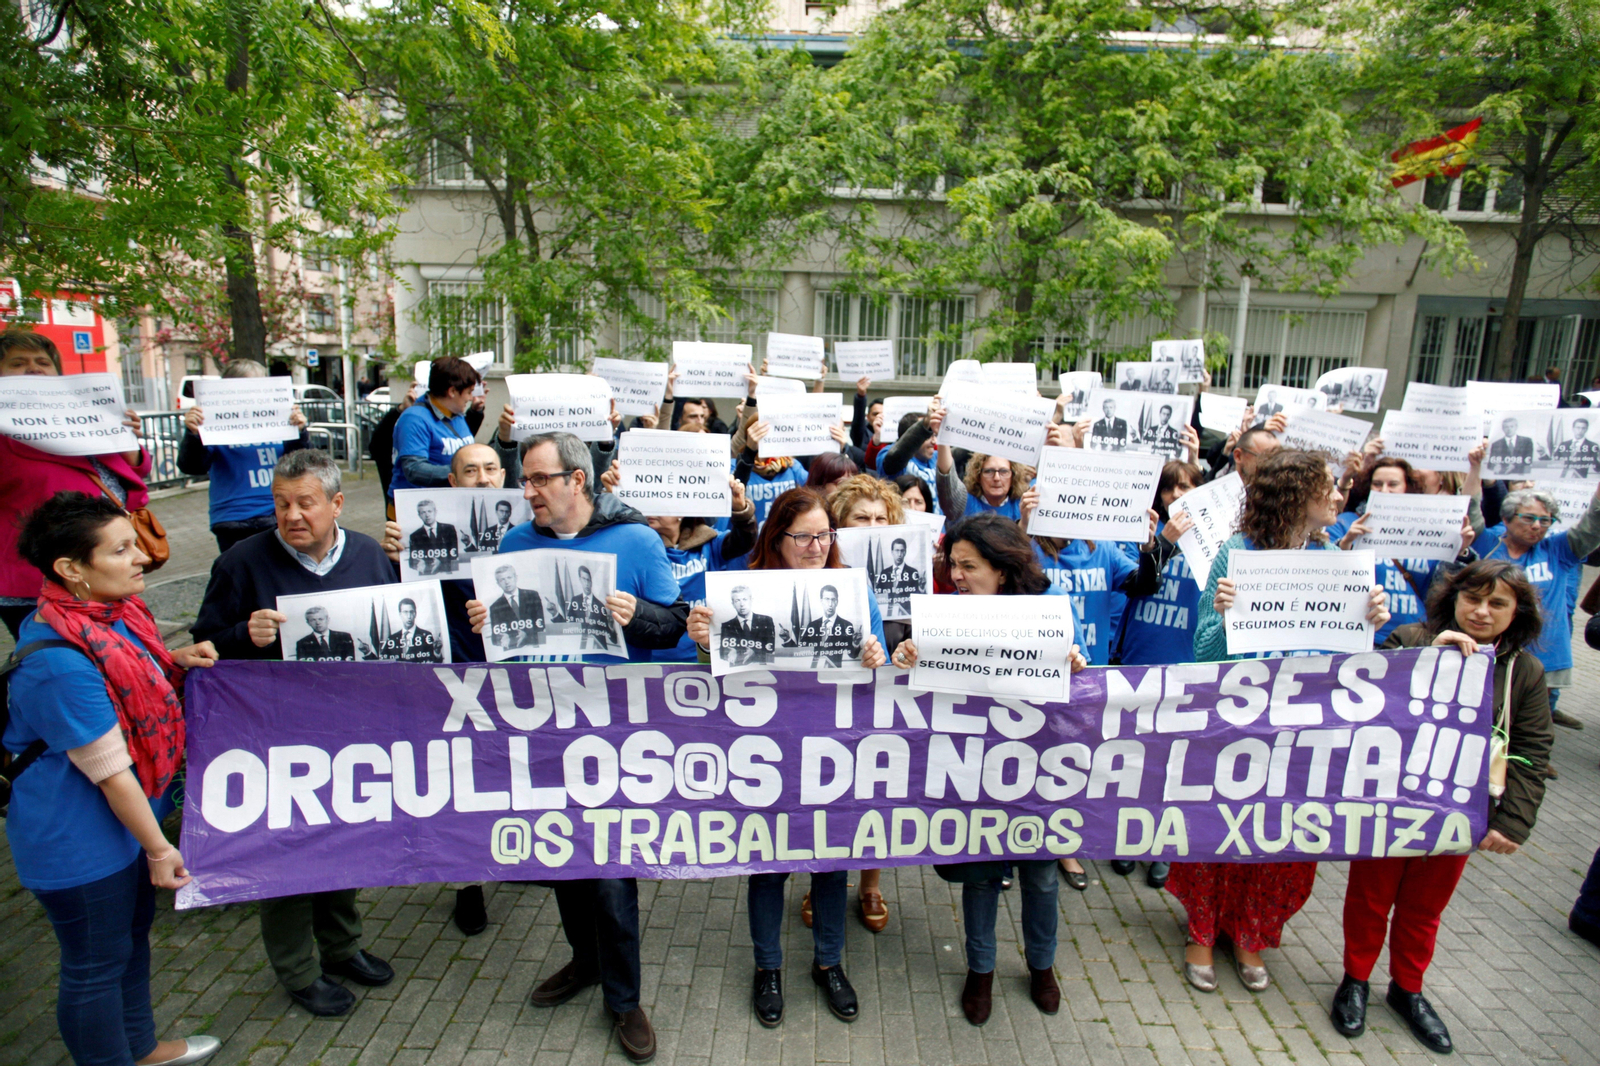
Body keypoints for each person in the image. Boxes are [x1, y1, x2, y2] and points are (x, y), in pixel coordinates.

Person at [463, 432, 686, 1065]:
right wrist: (486, 625)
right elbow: (502, 647)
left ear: (576, 481)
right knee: (563, 857)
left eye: (536, 480)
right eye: (524, 481)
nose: (525, 492)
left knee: (612, 872)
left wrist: (633, 613)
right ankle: (583, 962)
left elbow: (671, 626)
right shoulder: (515, 544)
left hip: (614, 733)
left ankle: (624, 998)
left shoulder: (637, 540)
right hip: (543, 730)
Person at [5, 492, 223, 1066]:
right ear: (71, 570)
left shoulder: (115, 616)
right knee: (94, 966)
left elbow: (130, 682)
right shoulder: (57, 659)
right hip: (79, 842)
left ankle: (141, 1048)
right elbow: (109, 771)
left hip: (123, 827)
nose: (141, 559)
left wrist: (171, 662)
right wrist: (158, 849)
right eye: (121, 550)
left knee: (127, 945)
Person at [192, 449, 397, 1018]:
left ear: (335, 503)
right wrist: (241, 635)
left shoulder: (366, 556)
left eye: (306, 502)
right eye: (281, 504)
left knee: (342, 844)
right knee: (285, 856)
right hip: (274, 739)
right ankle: (299, 971)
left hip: (352, 735)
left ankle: (342, 947)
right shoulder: (241, 562)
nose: (292, 515)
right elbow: (204, 647)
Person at [1185, 449, 1390, 994]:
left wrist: (1371, 620)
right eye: (1328, 486)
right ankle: (1202, 931)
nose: (1339, 496)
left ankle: (1250, 932)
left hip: (1305, 731)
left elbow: (1353, 659)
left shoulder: (1336, 559)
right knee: (1221, 827)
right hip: (1240, 726)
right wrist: (1226, 616)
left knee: (1282, 836)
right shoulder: (1236, 554)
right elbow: (1202, 656)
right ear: (1296, 493)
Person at [686, 487, 887, 1030]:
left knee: (830, 861)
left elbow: (880, 667)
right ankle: (768, 968)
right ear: (777, 538)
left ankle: (828, 962)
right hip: (766, 751)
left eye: (825, 535)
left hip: (833, 749)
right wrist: (704, 643)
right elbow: (711, 675)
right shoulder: (742, 589)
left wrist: (875, 657)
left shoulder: (853, 589)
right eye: (804, 536)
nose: (817, 546)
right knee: (768, 864)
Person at [1332, 560, 1552, 1056]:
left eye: (1497, 603)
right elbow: (1369, 698)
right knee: (1369, 896)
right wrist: (1427, 656)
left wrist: (1513, 820)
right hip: (1390, 803)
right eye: (1473, 598)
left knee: (1424, 907)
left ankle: (1408, 989)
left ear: (1517, 612)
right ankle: (1355, 980)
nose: (1481, 612)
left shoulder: (1524, 671)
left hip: (1458, 814)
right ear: (1453, 598)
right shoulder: (1410, 637)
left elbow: (1532, 751)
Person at [889, 513, 1087, 1027]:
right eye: (952, 564)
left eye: (969, 566)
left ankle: (1041, 966)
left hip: (1037, 770)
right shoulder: (945, 615)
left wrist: (1074, 661)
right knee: (981, 876)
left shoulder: (1047, 613)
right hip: (971, 769)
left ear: (1001, 570)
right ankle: (981, 970)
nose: (956, 575)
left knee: (1042, 877)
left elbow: (1085, 682)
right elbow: (918, 679)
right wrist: (908, 654)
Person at [0, 328, 152, 639]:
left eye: (43, 362)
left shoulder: (85, 413)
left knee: (118, 656)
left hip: (106, 569)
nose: (33, 369)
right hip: (39, 579)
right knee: (65, 662)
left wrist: (127, 438)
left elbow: (134, 470)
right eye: (18, 363)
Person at [1471, 484, 1600, 730]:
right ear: (1507, 519)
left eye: (1545, 520)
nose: (1537, 526)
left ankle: (1534, 763)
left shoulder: (1559, 549)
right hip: (1494, 649)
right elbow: (1470, 509)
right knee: (1490, 713)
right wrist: (1476, 469)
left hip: (1545, 653)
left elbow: (1593, 525)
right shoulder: (1488, 544)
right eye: (1529, 518)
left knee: (1536, 719)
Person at [1332, 456, 1479, 644]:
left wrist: (1460, 552)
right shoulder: (1346, 523)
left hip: (1414, 638)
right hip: (1362, 636)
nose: (1384, 490)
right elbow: (1327, 579)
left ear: (1408, 487)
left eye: (1393, 484)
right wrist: (1346, 544)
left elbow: (1444, 589)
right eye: (1377, 484)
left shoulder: (1431, 528)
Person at [176, 359, 310, 551]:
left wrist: (300, 431)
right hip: (234, 518)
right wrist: (193, 435)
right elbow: (192, 467)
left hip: (279, 514)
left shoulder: (281, 418)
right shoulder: (212, 422)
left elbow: (303, 464)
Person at [388, 356, 481, 500]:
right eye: (469, 392)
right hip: (414, 506)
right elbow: (415, 470)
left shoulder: (456, 414)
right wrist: (462, 472)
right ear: (452, 392)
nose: (470, 398)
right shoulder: (414, 419)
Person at [936, 446, 1028, 522]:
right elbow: (946, 476)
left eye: (1003, 471)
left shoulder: (1022, 505)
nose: (996, 478)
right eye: (989, 471)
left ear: (1013, 476)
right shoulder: (963, 503)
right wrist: (943, 438)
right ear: (978, 476)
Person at [487, 563, 545, 650]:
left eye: (509, 578)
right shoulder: (495, 607)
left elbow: (541, 624)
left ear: (516, 578)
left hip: (535, 647)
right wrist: (502, 638)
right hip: (513, 650)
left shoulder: (532, 595)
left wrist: (526, 634)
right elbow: (495, 638)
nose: (507, 582)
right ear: (498, 583)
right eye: (502, 580)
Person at [718, 584, 776, 664]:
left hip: (762, 669)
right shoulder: (727, 626)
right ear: (733, 604)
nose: (742, 604)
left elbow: (772, 648)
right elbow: (722, 653)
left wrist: (755, 653)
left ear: (751, 600)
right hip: (737, 670)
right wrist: (729, 652)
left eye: (744, 599)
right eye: (737, 601)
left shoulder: (766, 621)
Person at [294, 605, 374, 661]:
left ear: (328, 619)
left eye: (320, 619)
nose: (318, 623)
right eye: (313, 620)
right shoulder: (302, 643)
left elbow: (350, 662)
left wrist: (366, 652)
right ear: (308, 623)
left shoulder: (344, 637)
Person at [564, 565, 616, 651]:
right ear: (580, 580)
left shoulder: (600, 606)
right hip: (579, 648)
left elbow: (614, 640)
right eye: (584, 579)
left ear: (591, 582)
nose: (586, 583)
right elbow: (568, 626)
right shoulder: (574, 601)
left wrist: (611, 628)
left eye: (588, 580)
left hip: (597, 650)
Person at [377, 597, 444, 662]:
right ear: (400, 614)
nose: (409, 616)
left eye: (411, 612)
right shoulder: (392, 639)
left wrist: (437, 652)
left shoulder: (426, 635)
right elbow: (382, 662)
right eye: (405, 612)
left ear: (415, 614)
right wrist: (368, 653)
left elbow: (434, 662)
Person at [407, 498, 460, 575]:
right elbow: (412, 560)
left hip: (447, 573)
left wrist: (441, 561)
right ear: (419, 515)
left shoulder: (449, 529)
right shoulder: (414, 535)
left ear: (435, 512)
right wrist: (418, 563)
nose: (427, 515)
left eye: (429, 511)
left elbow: (454, 553)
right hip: (427, 575)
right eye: (423, 512)